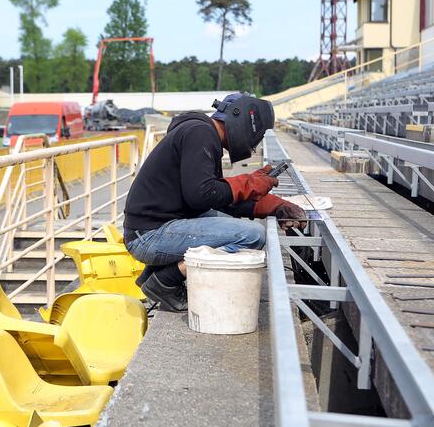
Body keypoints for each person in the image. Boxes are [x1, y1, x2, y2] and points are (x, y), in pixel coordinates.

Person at [123, 92, 306, 312]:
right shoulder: (199, 133)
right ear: (243, 119)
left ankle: (155, 274)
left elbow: (218, 200)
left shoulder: (201, 133)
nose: (253, 144)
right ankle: (166, 280)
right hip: (149, 237)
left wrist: (276, 206)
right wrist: (250, 182)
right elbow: (201, 195)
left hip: (152, 230)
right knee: (253, 235)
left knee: (239, 226)